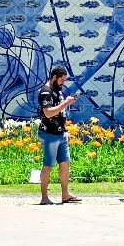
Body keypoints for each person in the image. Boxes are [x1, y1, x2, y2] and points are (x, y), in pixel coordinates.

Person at [36, 64, 80, 206]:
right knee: (48, 165)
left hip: (61, 133)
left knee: (65, 163)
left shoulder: (57, 90)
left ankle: (65, 194)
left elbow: (59, 110)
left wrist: (67, 102)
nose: (63, 83)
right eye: (62, 80)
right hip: (49, 134)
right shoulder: (45, 92)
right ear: (54, 77)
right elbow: (48, 112)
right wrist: (66, 103)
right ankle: (44, 197)